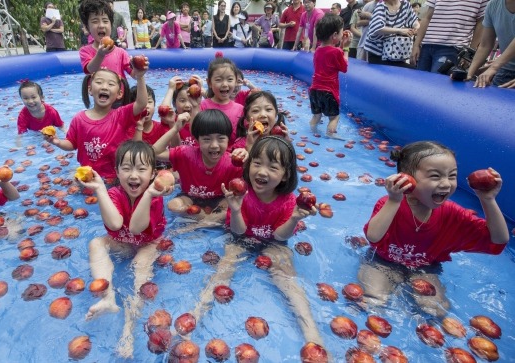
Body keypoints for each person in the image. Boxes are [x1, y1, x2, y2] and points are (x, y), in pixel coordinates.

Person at [190, 136, 325, 351]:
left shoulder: (289, 201)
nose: (262, 172)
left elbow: (280, 237)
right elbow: (238, 231)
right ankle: (197, 312)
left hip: (274, 244)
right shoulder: (242, 194)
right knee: (223, 270)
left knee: (287, 279)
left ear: (285, 175)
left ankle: (312, 333)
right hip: (241, 239)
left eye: (272, 167)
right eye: (257, 163)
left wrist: (295, 218)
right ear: (248, 165)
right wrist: (235, 209)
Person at [358, 141, 509, 317]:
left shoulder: (452, 213)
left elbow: (498, 239)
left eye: (452, 176)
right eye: (436, 176)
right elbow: (374, 237)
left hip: (425, 268)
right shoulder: (390, 204)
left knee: (435, 310)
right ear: (407, 179)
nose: (446, 184)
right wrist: (394, 200)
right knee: (374, 301)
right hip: (382, 263)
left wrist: (488, 200)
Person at [77, 141, 173, 359]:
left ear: (152, 174)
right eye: (127, 168)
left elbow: (136, 228)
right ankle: (108, 298)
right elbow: (114, 225)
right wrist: (100, 189)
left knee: (140, 266)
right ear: (117, 171)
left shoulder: (155, 197)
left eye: (141, 169)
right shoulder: (114, 194)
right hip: (123, 241)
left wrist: (148, 195)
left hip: (149, 244)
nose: (134, 175)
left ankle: (128, 330)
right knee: (96, 243)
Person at [44, 65, 149, 182]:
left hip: (114, 177)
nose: (104, 87)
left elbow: (141, 103)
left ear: (119, 94)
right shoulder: (79, 119)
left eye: (110, 84)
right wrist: (57, 142)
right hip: (88, 175)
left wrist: (140, 77)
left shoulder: (121, 115)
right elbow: (72, 144)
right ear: (90, 89)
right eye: (99, 82)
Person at [152, 110, 247, 223]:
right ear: (197, 140)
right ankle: (207, 220)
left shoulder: (233, 162)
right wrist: (175, 128)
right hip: (189, 198)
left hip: (220, 200)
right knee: (173, 206)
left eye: (221, 138)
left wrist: (247, 156)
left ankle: (201, 222)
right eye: (207, 139)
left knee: (230, 206)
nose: (214, 145)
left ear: (228, 140)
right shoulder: (186, 154)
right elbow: (155, 152)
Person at [411, 0, 487, 73]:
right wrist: (416, 44)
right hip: (427, 45)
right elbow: (427, 17)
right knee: (419, 82)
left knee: (436, 84)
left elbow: (481, 24)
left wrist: (469, 54)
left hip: (453, 47)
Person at [309, 14, 351, 138]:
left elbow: (331, 56)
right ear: (334, 35)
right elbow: (344, 68)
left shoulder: (317, 50)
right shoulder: (337, 51)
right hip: (329, 92)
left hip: (314, 90)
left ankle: (312, 132)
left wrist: (341, 45)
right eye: (341, 32)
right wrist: (347, 48)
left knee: (317, 115)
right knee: (334, 117)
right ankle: (330, 135)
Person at [78, 0, 132, 79]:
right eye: (95, 21)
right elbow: (90, 70)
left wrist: (139, 70)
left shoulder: (121, 53)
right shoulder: (85, 51)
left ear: (111, 25)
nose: (101, 25)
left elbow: (134, 74)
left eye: (105, 21)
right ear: (87, 27)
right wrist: (100, 54)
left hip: (119, 91)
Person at [467, 0, 515, 88]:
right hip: (506, 69)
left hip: (500, 66)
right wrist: (469, 74)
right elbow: (485, 45)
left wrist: (494, 67)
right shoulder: (493, 5)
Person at [200, 54, 244, 146]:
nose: (224, 84)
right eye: (219, 80)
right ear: (209, 83)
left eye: (230, 79)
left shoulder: (241, 110)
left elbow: (243, 137)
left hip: (232, 156)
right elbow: (196, 134)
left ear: (236, 81)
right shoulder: (202, 106)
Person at [363, 0, 419, 67]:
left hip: (397, 52)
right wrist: (399, 30)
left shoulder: (405, 5)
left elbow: (415, 21)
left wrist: (416, 27)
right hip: (378, 54)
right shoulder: (381, 6)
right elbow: (377, 28)